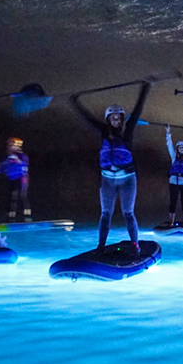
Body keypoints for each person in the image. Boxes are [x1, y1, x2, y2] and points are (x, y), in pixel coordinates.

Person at [72, 81, 151, 253]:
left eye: (119, 118)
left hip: (127, 180)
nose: (116, 120)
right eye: (113, 118)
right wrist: (75, 102)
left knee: (128, 213)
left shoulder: (128, 130)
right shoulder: (102, 131)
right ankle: (101, 246)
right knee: (105, 214)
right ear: (108, 119)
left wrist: (145, 87)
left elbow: (138, 110)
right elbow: (86, 118)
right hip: (107, 180)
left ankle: (135, 245)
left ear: (122, 119)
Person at [0, 137, 31, 222]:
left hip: (20, 178)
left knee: (21, 196)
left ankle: (26, 215)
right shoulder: (7, 158)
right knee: (10, 196)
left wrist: (15, 158)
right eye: (9, 145)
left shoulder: (22, 156)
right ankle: (11, 215)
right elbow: (2, 167)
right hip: (11, 179)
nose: (9, 147)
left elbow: (23, 164)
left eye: (12, 145)